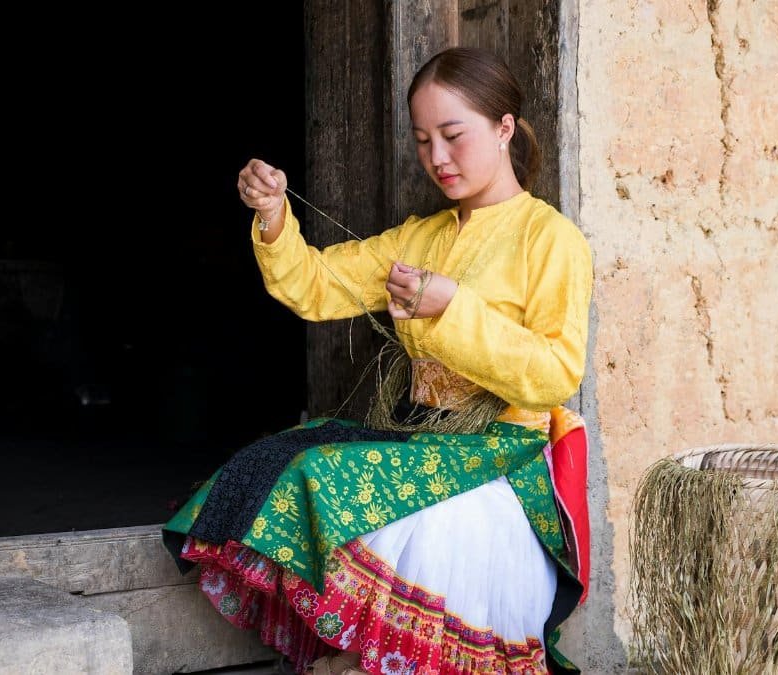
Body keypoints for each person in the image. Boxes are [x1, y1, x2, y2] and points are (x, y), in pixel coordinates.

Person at [163, 46, 593, 675]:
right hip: (422, 434)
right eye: (422, 141)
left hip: (504, 447)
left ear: (504, 127)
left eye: (453, 136)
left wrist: (452, 310)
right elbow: (315, 288)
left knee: (323, 477)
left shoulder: (550, 239)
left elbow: (558, 372)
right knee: (280, 460)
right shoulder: (421, 236)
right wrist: (275, 216)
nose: (436, 158)